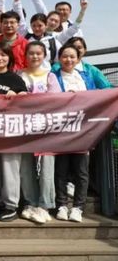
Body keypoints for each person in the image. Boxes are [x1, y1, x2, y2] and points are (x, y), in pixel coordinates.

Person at [51, 44, 98, 223]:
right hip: (61, 130)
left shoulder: (85, 76)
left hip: (83, 129)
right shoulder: (53, 76)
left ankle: (78, 207)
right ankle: (61, 205)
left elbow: (95, 98)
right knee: (61, 169)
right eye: (65, 56)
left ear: (78, 59)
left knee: (81, 171)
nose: (68, 60)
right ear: (59, 58)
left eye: (72, 56)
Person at [17, 41, 61, 224]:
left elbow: (56, 100)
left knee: (46, 166)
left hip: (45, 127)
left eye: (38, 53)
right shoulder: (19, 75)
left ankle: (44, 205)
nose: (34, 56)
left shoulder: (50, 76)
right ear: (25, 55)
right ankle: (30, 202)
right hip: (23, 127)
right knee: (25, 166)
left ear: (44, 56)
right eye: (31, 53)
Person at [0, 42, 28, 222]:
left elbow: (27, 100)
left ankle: (11, 205)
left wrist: (18, 96)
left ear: (9, 58)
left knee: (10, 167)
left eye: (3, 55)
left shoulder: (16, 79)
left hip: (11, 130)